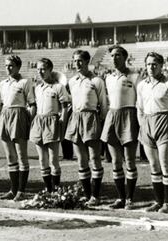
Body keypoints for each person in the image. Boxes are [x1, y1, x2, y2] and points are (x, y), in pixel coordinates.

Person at [137, 52, 168, 213]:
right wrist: (142, 124)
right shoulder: (142, 85)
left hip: (165, 122)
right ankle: (158, 201)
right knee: (153, 165)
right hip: (147, 124)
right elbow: (140, 108)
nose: (151, 67)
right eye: (149, 64)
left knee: (165, 165)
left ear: (161, 66)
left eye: (154, 64)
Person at [65, 50, 108, 206]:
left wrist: (102, 122)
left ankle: (96, 195)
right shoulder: (72, 81)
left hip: (91, 118)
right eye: (75, 61)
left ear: (87, 61)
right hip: (76, 119)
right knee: (81, 160)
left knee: (95, 158)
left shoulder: (97, 81)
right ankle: (87, 194)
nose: (77, 64)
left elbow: (103, 104)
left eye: (80, 61)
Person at [101, 45, 140, 209]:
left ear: (125, 57)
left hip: (129, 116)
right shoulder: (108, 78)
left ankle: (130, 198)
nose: (115, 58)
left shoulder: (135, 76)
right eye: (112, 56)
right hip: (112, 116)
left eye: (118, 55)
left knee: (129, 161)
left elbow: (140, 100)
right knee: (116, 161)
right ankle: (120, 198)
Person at [0, 55, 36, 201]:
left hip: (19, 115)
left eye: (11, 65)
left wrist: (30, 122)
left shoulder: (25, 82)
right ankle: (13, 190)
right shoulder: (3, 83)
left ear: (18, 67)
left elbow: (32, 104)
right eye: (6, 65)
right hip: (5, 115)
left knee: (21, 156)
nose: (8, 68)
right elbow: (2, 103)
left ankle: (21, 190)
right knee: (10, 156)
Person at [30, 58, 69, 192]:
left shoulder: (59, 87)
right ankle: (48, 189)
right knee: (42, 160)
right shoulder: (37, 88)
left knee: (53, 160)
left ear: (50, 70)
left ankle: (56, 189)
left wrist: (62, 126)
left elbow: (64, 108)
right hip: (39, 121)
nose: (40, 72)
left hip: (52, 122)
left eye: (43, 69)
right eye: (38, 69)